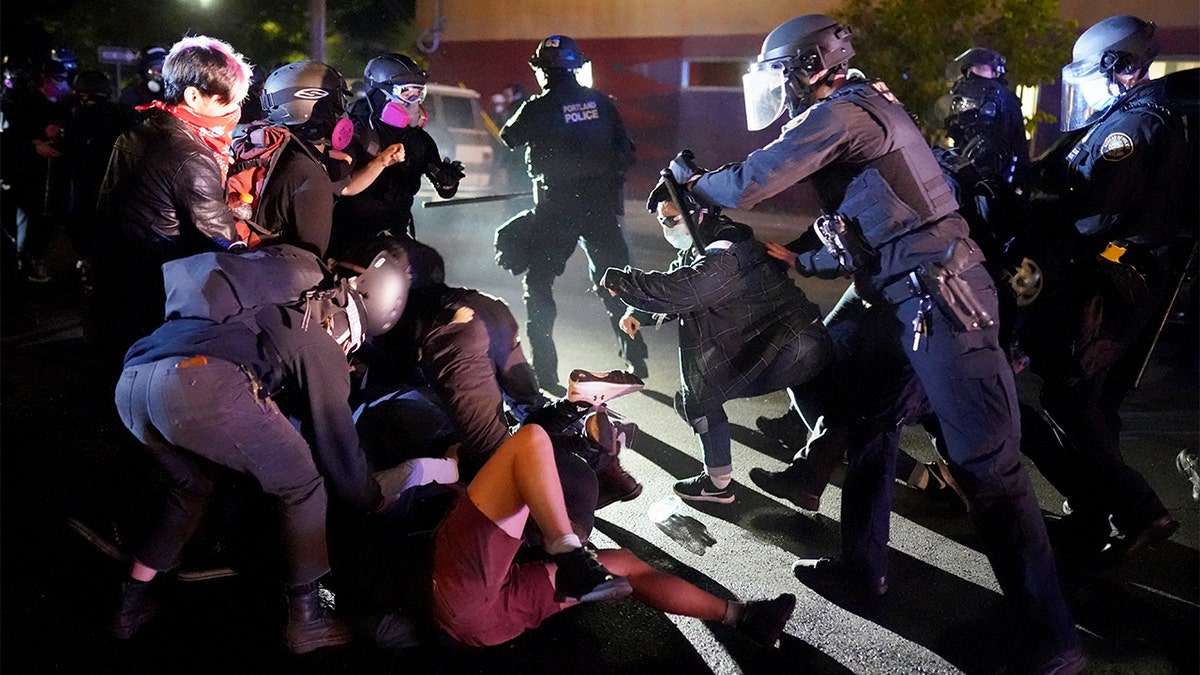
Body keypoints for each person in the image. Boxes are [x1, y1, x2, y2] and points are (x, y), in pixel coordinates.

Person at [675, 15, 1083, 674]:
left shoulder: (843, 113)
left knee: (990, 470)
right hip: (899, 294)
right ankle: (862, 569)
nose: (774, 87)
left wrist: (694, 179)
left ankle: (1051, 639)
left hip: (940, 297)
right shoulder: (853, 108)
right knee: (865, 415)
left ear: (808, 66)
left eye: (778, 72)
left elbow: (750, 182)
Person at [108, 244, 409, 653]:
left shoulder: (279, 302)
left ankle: (130, 604)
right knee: (302, 483)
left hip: (134, 381)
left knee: (192, 486)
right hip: (199, 385)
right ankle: (308, 621)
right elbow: (336, 441)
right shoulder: (320, 333)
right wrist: (372, 498)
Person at [1016, 15, 1192, 558]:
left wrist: (1041, 214)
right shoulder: (1144, 113)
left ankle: (1138, 509)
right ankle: (1097, 515)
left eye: (1093, 73)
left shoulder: (1133, 128)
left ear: (1121, 67)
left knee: (1070, 393)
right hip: (1138, 271)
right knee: (1095, 398)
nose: (1086, 86)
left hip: (1118, 274)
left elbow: (1096, 215)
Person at [430, 423, 797, 650]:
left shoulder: (498, 500)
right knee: (529, 442)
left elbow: (532, 449)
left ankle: (746, 618)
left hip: (478, 613)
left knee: (624, 563)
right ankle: (570, 555)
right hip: (478, 607)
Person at [600, 177, 831, 504]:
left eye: (671, 219)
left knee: (698, 398)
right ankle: (920, 475)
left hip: (787, 348)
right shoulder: (711, 238)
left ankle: (717, 485)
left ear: (697, 214)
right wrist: (643, 313)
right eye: (662, 220)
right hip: (803, 340)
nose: (666, 226)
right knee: (844, 422)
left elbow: (691, 289)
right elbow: (680, 286)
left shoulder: (725, 250)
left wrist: (625, 282)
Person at [89, 35, 253, 375]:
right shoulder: (191, 153)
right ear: (194, 96)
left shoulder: (141, 129)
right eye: (227, 102)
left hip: (118, 276)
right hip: (158, 287)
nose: (233, 112)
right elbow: (219, 239)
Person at [497, 35, 646, 393]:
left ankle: (545, 371)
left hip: (556, 211)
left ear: (542, 70)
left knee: (539, 284)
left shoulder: (537, 106)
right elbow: (626, 153)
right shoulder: (602, 104)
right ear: (577, 67)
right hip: (601, 210)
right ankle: (635, 356)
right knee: (617, 284)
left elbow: (508, 136)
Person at [252, 60, 405, 257]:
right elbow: (313, 258)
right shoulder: (310, 174)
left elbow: (346, 188)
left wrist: (381, 161)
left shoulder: (275, 147)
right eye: (339, 102)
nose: (342, 113)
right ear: (311, 106)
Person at [331, 52, 464, 251]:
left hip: (395, 236)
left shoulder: (419, 140)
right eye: (407, 93)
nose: (415, 102)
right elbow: (344, 187)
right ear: (379, 94)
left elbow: (445, 191)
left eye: (420, 93)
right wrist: (380, 161)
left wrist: (448, 182)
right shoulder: (354, 132)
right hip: (350, 239)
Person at [3, 47, 76, 284]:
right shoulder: (24, 103)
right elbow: (13, 137)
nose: (64, 86)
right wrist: (34, 145)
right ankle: (23, 264)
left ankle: (31, 260)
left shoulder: (61, 105)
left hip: (49, 173)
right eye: (60, 80)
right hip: (25, 175)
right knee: (27, 219)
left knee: (42, 220)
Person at [61, 69, 138, 291]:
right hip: (120, 188)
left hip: (88, 188)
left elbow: (70, 154)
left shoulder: (78, 118)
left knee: (87, 234)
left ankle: (91, 275)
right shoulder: (124, 114)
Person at [943, 47, 1029, 185]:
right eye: (972, 69)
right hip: (962, 171)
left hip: (996, 176)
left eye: (982, 69)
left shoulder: (1003, 98)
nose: (973, 75)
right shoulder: (964, 95)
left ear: (995, 73)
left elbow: (1018, 145)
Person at [118, 45, 167, 110]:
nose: (160, 74)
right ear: (143, 72)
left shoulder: (174, 95)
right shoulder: (132, 97)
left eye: (163, 69)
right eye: (154, 70)